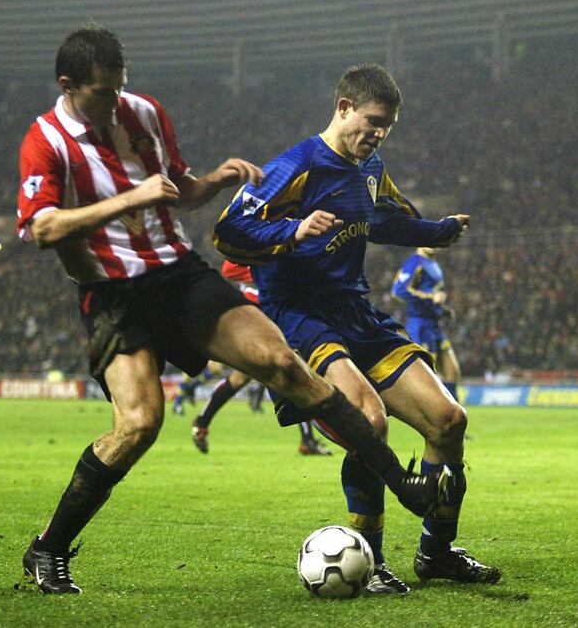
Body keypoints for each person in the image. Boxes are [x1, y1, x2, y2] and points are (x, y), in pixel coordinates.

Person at [16, 28, 453, 595]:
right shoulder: (46, 140)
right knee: (140, 423)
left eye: (120, 88)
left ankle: (405, 487)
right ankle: (47, 550)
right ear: (68, 86)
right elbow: (39, 228)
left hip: (178, 274)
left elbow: (180, 191)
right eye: (103, 93)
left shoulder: (144, 113)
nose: (115, 102)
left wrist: (212, 182)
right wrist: (132, 198)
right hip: (114, 293)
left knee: (283, 363)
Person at [214, 63, 500, 593]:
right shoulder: (295, 166)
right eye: (371, 122)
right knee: (367, 420)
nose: (377, 134)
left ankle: (437, 553)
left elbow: (385, 219)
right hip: (300, 316)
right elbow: (228, 232)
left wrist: (436, 232)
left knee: (448, 420)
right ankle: (372, 561)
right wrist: (292, 231)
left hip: (355, 312)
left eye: (386, 127)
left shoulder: (370, 169)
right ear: (343, 107)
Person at [191, 260, 332, 456]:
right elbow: (229, 269)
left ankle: (201, 423)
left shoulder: (280, 241)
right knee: (290, 372)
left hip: (270, 310)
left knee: (246, 377)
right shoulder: (256, 240)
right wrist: (265, 271)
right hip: (255, 311)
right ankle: (307, 439)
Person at [392, 247, 461, 402]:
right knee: (428, 376)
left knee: (452, 370)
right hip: (420, 324)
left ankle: (455, 415)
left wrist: (441, 309)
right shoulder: (415, 262)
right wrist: (431, 297)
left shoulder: (433, 264)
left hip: (434, 324)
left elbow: (431, 294)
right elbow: (398, 290)